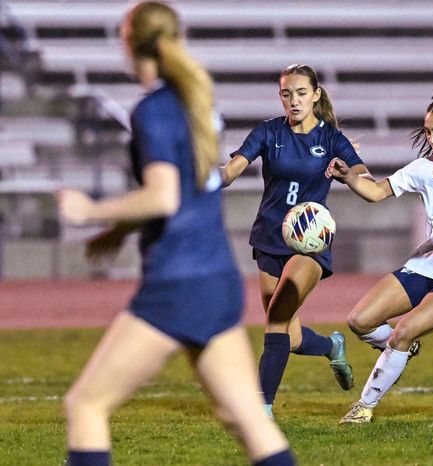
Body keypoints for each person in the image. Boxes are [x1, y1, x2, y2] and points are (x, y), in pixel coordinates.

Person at [57, 3, 293, 465]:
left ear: (130, 44)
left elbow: (163, 197)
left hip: (177, 283)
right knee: (246, 418)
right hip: (216, 279)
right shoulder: (193, 102)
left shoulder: (155, 109)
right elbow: (182, 191)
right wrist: (120, 227)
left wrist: (89, 211)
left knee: (85, 405)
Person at [327, 87, 433, 424]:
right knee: (360, 321)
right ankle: (402, 350)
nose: (432, 139)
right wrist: (349, 177)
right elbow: (376, 192)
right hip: (423, 264)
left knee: (403, 331)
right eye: (427, 132)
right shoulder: (423, 168)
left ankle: (364, 407)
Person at [220, 63, 368, 417]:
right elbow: (231, 170)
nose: (294, 100)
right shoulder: (269, 132)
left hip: (309, 245)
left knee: (275, 321)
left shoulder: (330, 138)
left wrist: (349, 173)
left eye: (301, 93)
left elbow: (361, 172)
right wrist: (205, 178)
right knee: (291, 335)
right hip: (269, 239)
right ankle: (332, 346)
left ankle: (261, 409)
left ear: (316, 95)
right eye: (287, 94)